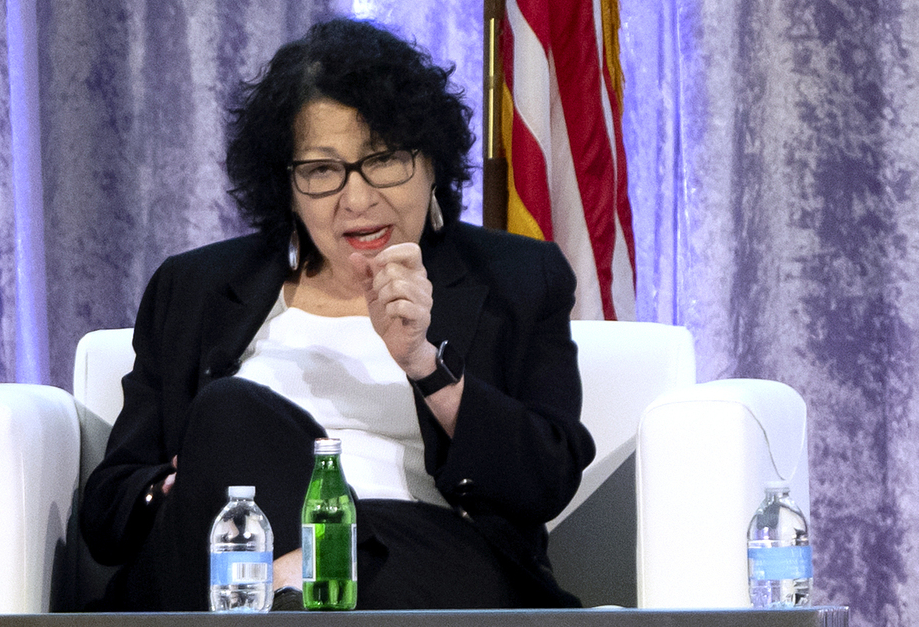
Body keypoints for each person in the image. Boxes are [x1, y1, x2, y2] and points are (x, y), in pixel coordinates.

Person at [79, 17, 595, 611]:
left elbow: (544, 482)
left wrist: (422, 363)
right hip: (227, 557)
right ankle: (302, 583)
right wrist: (191, 485)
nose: (357, 198)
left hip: (427, 561)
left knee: (376, 575)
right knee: (230, 414)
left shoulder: (516, 278)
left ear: (432, 165)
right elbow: (109, 510)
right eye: (322, 170)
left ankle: (301, 585)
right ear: (287, 188)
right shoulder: (195, 288)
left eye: (382, 159)